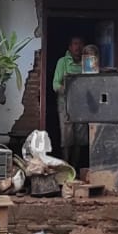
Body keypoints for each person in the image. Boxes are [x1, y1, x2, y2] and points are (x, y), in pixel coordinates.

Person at [52, 36, 87, 164]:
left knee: (80, 138)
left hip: (82, 106)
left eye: (80, 44)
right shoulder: (63, 62)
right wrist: (67, 89)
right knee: (67, 138)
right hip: (65, 105)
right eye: (75, 44)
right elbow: (55, 84)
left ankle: (75, 167)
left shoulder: (87, 62)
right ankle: (66, 165)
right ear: (70, 47)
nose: (78, 47)